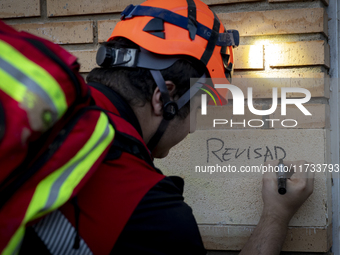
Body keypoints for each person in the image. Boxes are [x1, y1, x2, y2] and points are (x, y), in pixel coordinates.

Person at [18, 0, 314, 254]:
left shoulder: (38, 117)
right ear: (164, 97)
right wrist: (277, 214)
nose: (193, 129)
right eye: (197, 110)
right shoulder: (151, 213)